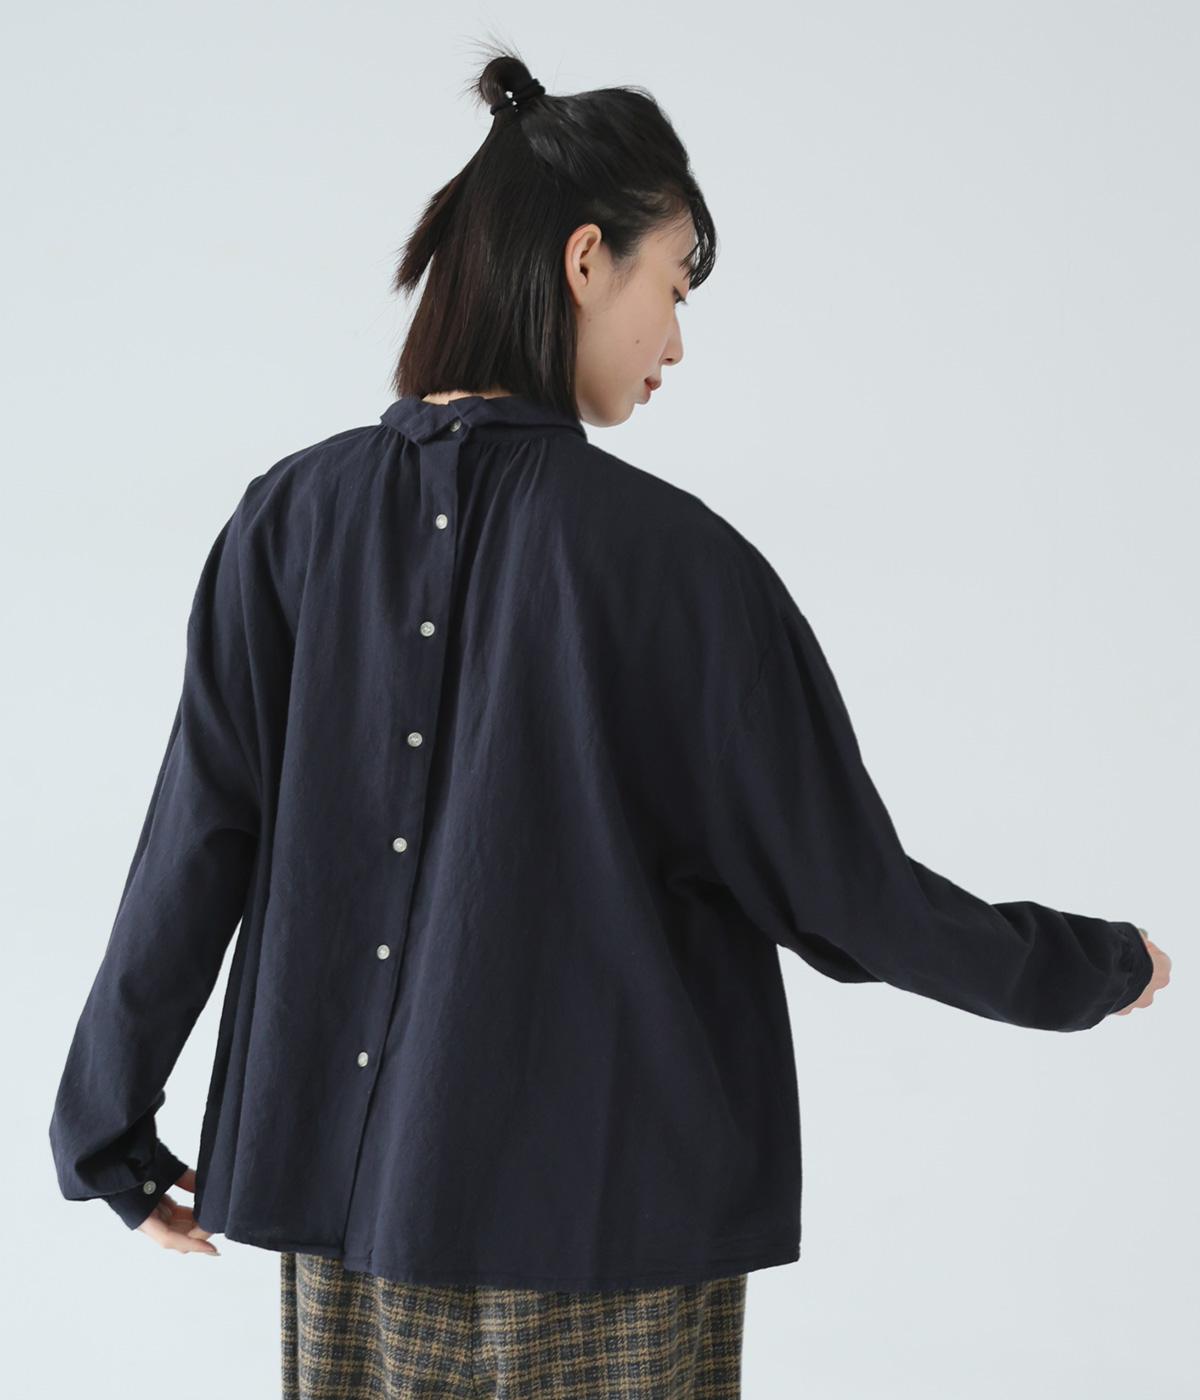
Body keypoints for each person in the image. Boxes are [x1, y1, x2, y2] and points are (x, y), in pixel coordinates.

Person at [48, 44, 1170, 1400]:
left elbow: (197, 837)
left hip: (352, 1216)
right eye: (673, 287)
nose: (677, 341)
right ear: (587, 260)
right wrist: (1092, 969)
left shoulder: (288, 522)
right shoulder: (678, 566)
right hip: (606, 1225)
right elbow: (845, 892)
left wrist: (107, 1126)